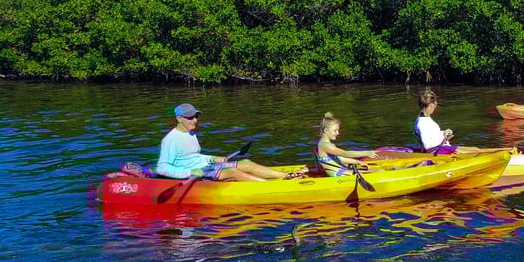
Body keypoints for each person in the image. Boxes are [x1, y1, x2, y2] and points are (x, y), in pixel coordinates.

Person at [156, 103, 302, 181]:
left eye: (196, 116)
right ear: (179, 118)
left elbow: (194, 156)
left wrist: (212, 158)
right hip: (196, 174)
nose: (194, 120)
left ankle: (285, 177)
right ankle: (270, 188)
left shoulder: (190, 133)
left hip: (206, 166)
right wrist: (190, 172)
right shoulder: (170, 139)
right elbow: (162, 168)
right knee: (233, 171)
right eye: (190, 117)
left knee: (246, 163)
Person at [315, 112, 378, 177]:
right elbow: (346, 153)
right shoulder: (326, 145)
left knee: (378, 170)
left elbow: (339, 158)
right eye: (335, 130)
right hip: (337, 174)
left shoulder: (325, 143)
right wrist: (367, 153)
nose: (338, 133)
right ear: (326, 130)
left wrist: (358, 162)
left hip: (339, 170)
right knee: (378, 172)